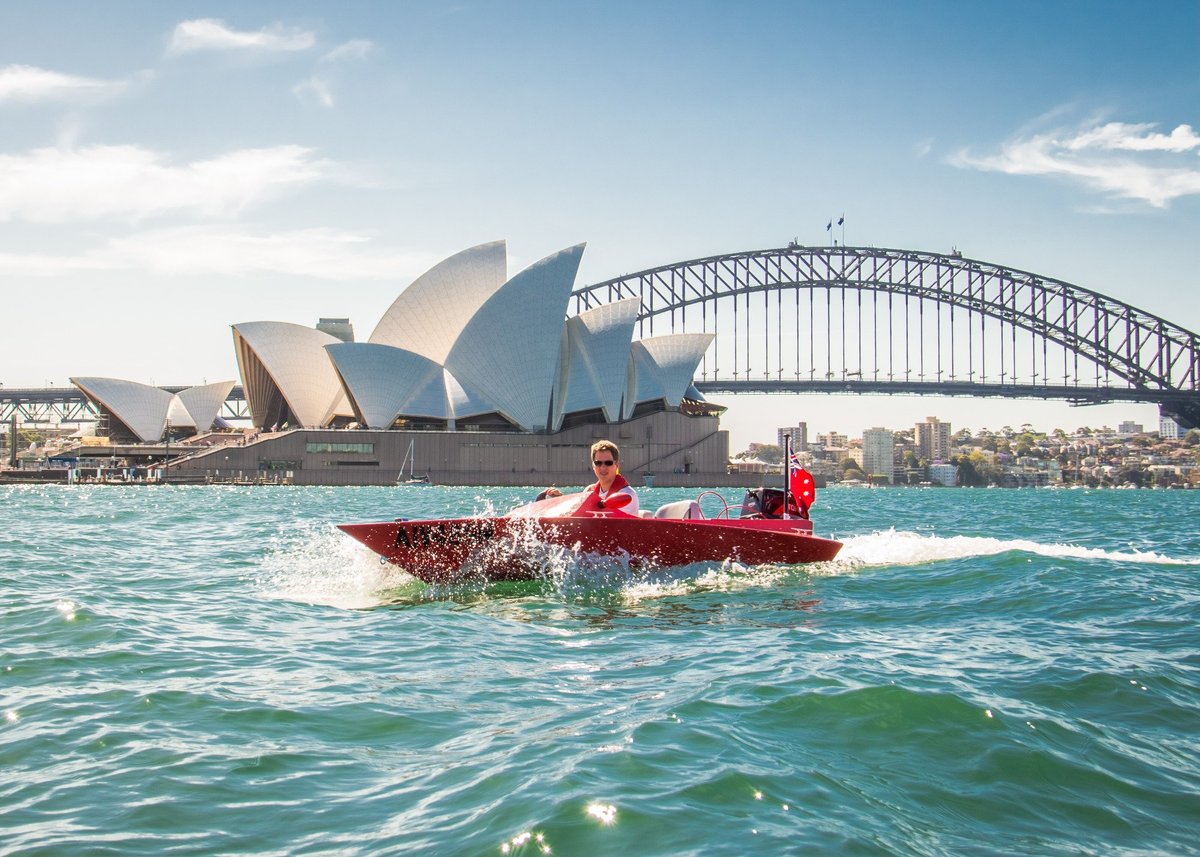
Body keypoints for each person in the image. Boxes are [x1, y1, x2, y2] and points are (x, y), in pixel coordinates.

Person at [538, 439, 639, 514]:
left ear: (616, 464)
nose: (603, 467)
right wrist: (560, 500)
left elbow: (611, 524)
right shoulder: (589, 491)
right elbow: (578, 514)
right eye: (598, 463)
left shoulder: (627, 495)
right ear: (593, 466)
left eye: (608, 463)